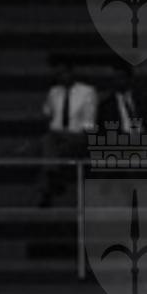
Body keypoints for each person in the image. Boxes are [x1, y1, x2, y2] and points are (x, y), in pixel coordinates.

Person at [36, 65, 97, 206]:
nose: (62, 77)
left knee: (47, 145)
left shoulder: (87, 92)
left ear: (71, 73)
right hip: (56, 137)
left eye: (64, 73)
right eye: (59, 74)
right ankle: (52, 177)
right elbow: (47, 113)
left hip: (78, 136)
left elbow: (89, 123)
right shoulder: (54, 92)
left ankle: (49, 187)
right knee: (49, 142)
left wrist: (66, 133)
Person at [106, 61, 146, 136]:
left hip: (143, 137)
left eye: (121, 77)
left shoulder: (142, 99)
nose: (118, 81)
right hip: (120, 139)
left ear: (129, 78)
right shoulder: (107, 104)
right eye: (115, 78)